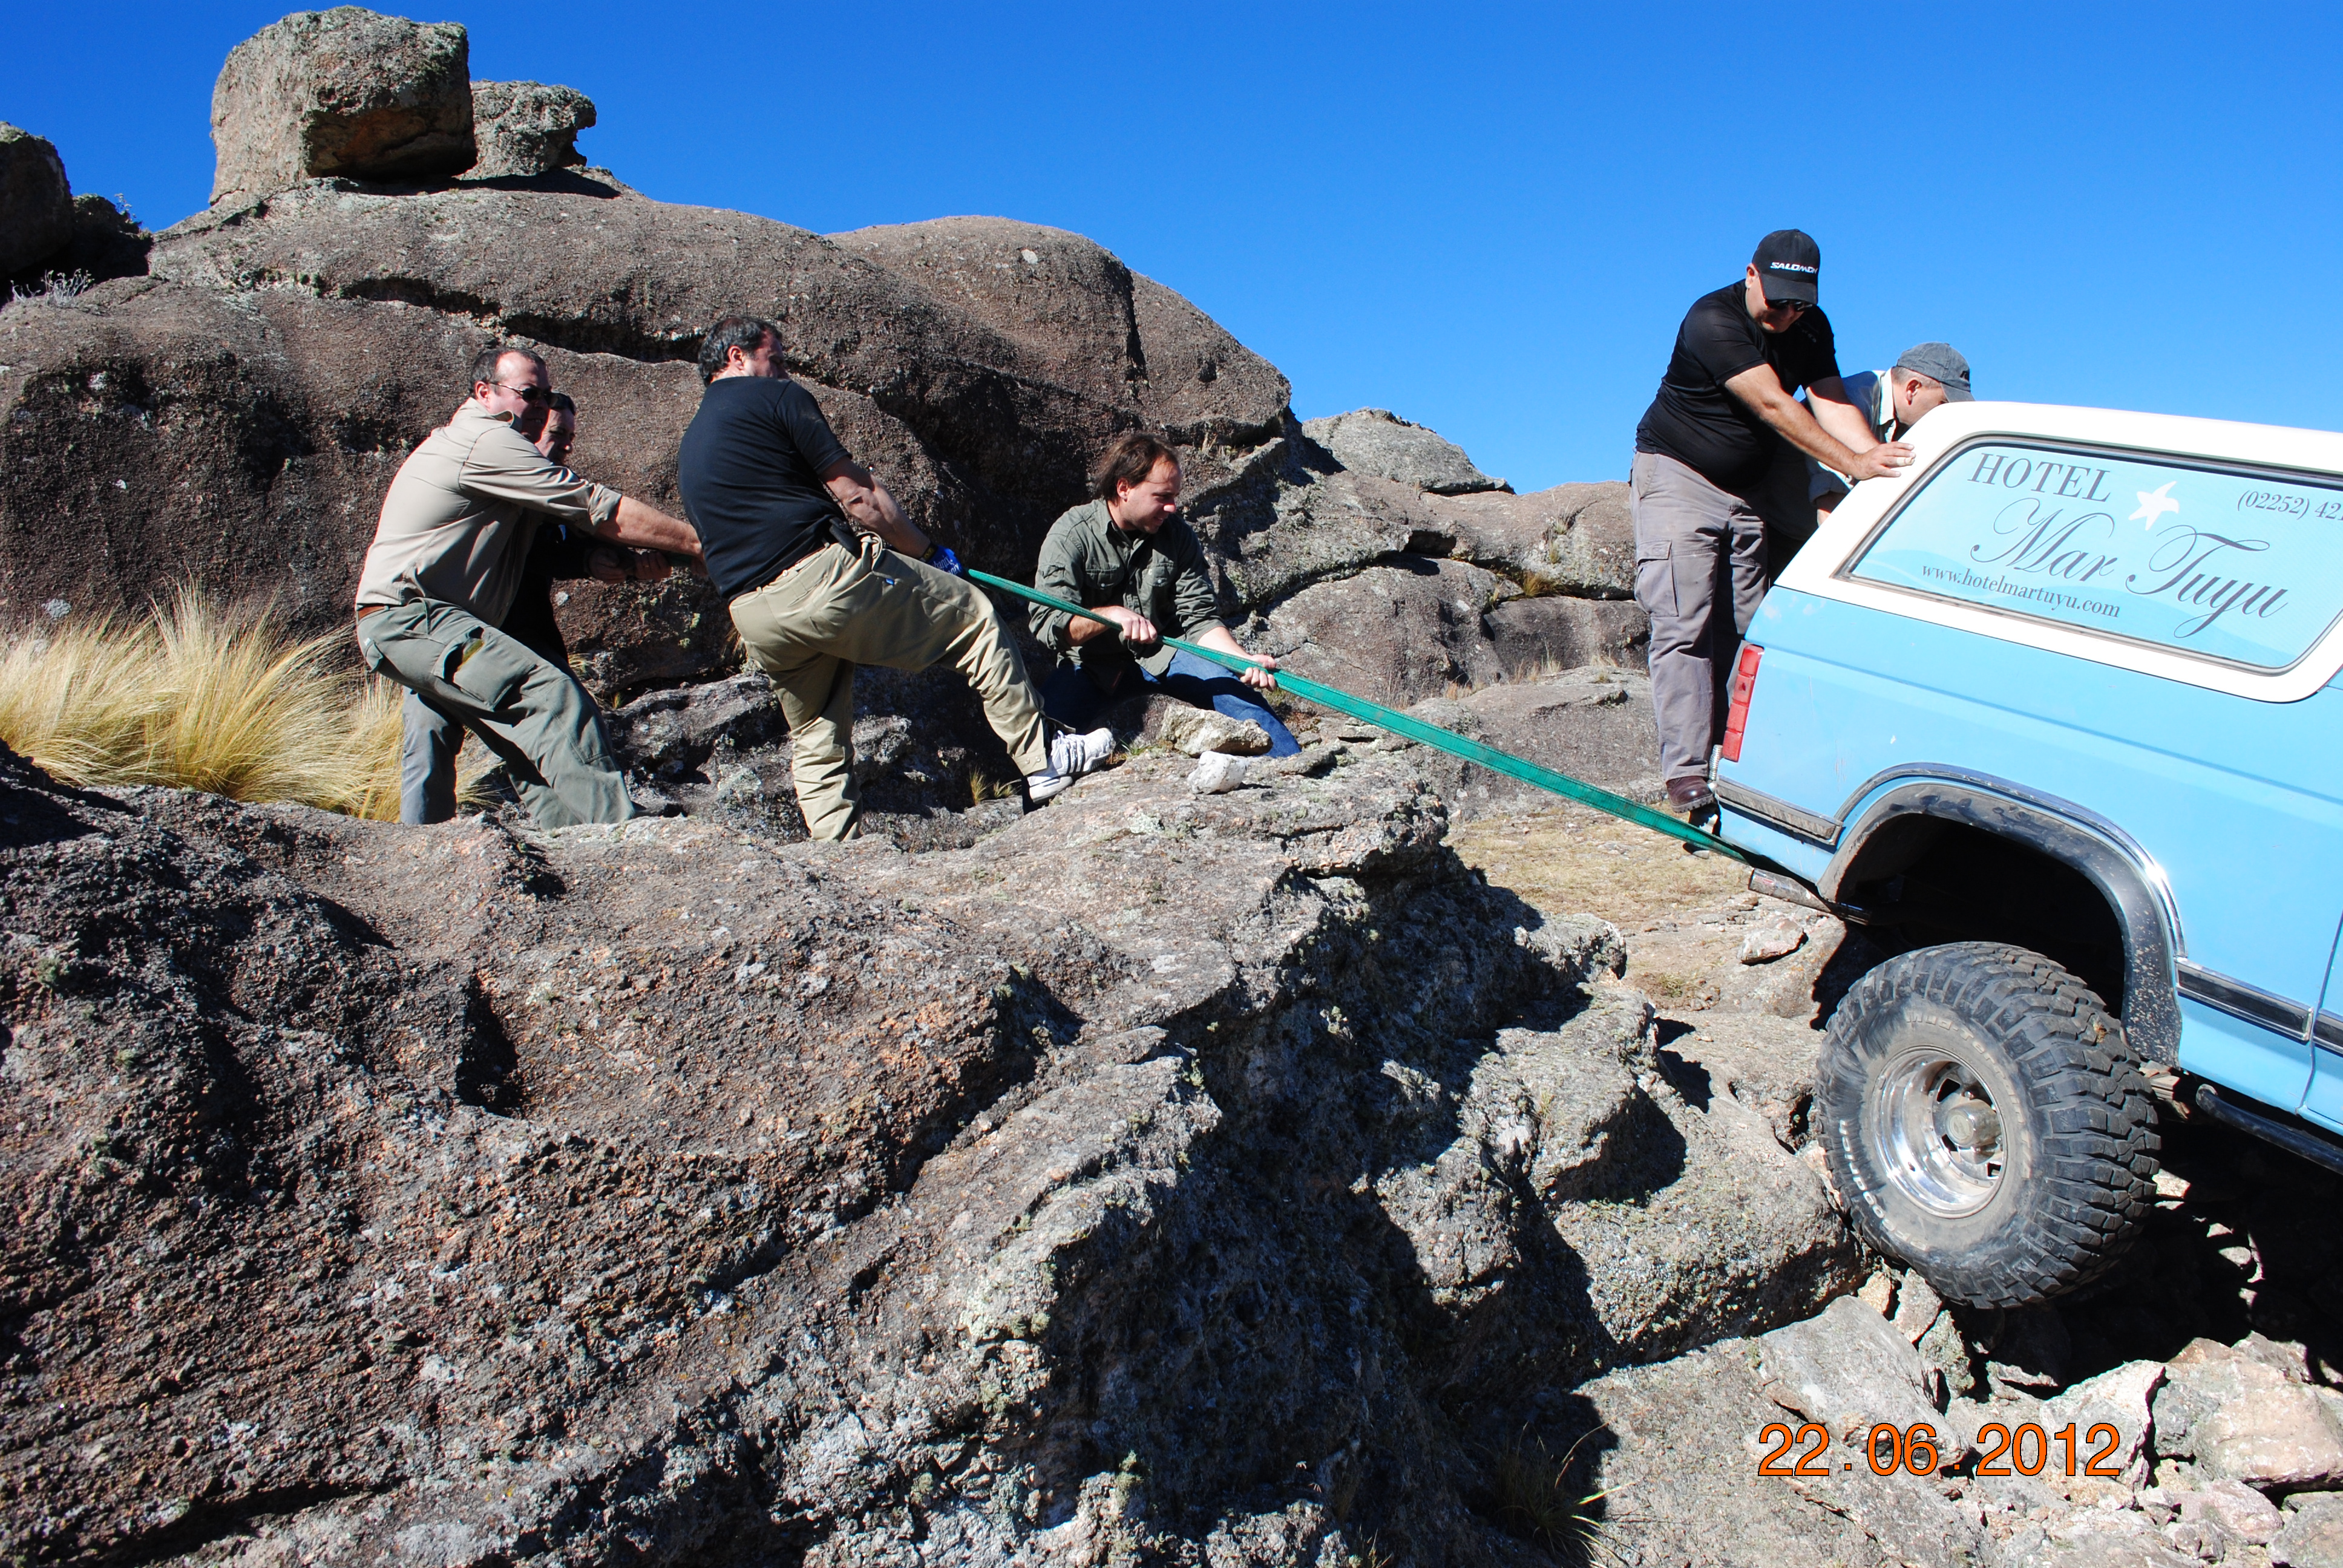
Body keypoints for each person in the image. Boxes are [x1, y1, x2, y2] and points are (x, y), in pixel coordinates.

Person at [673, 315, 1110, 842]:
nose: (785, 370)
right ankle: (1044, 758)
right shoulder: (776, 398)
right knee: (972, 616)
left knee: (815, 729)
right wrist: (927, 551)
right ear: (737, 356)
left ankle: (837, 851)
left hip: (753, 613)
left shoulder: (693, 444)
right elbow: (859, 497)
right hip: (822, 578)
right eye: (778, 358)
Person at [1629, 230, 1913, 822]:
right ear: (1750, 276)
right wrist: (1853, 463)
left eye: (1799, 303)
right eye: (1776, 300)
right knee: (1685, 622)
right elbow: (1774, 406)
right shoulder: (1712, 318)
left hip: (1746, 490)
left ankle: (1736, 765)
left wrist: (1879, 469)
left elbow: (1831, 402)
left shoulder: (1810, 325)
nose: (1786, 315)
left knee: (1750, 625)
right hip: (1678, 476)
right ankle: (1684, 773)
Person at [355, 344, 703, 828]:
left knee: (521, 748)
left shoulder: (499, 456)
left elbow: (567, 541)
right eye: (528, 393)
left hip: (439, 627)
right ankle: (622, 840)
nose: (539, 405)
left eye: (546, 395)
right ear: (484, 392)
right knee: (551, 697)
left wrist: (614, 560)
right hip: (414, 618)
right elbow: (596, 509)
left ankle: (572, 851)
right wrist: (698, 546)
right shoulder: (487, 442)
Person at [1030, 433, 1297, 757]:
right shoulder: (1072, 535)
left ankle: (1293, 774)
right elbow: (1048, 625)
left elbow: (1200, 620)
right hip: (1090, 666)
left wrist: (1239, 660)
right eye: (1162, 497)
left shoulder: (1178, 535)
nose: (1172, 507)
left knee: (1240, 699)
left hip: (1166, 654)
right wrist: (1109, 616)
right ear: (1124, 488)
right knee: (1038, 745)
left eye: (1175, 496)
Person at [1806, 343, 1975, 520]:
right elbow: (1831, 511)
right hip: (1791, 537)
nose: (1946, 417)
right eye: (1943, 404)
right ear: (1913, 389)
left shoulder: (1908, 423)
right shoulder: (1846, 404)